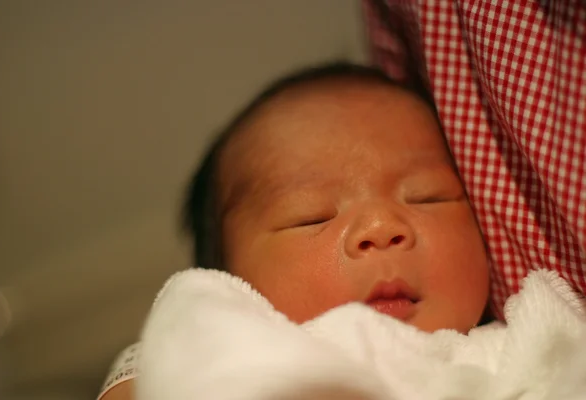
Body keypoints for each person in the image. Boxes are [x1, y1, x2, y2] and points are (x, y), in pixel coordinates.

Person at [134, 63, 585, 399]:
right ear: (232, 282)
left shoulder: (534, 344)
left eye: (427, 196)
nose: (381, 227)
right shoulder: (235, 350)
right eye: (312, 216)